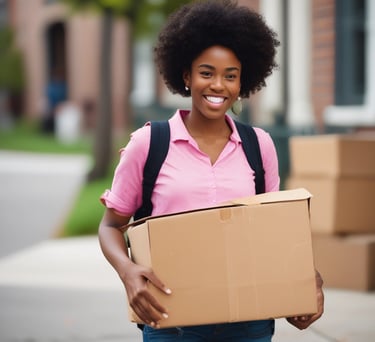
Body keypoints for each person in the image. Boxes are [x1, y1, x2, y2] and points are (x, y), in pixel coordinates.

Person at [98, 1, 324, 341]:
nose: (218, 85)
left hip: (250, 325)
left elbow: (274, 234)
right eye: (207, 73)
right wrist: (128, 272)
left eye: (230, 76)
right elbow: (111, 226)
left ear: (242, 82)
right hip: (172, 324)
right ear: (186, 76)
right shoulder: (149, 143)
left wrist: (306, 281)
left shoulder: (259, 146)